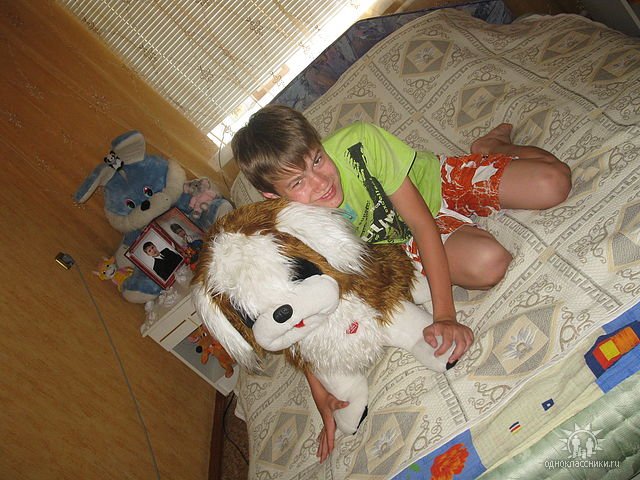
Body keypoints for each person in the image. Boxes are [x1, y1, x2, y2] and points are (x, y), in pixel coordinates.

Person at [231, 105, 572, 462]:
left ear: (319, 143)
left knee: (554, 183)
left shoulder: (360, 145)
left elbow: (422, 222)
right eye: (298, 183)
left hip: (436, 186)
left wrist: (445, 316)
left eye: (317, 160)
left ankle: (490, 148)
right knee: (490, 265)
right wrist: (321, 394)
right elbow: (299, 310)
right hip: (404, 241)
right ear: (274, 197)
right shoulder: (292, 229)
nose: (321, 182)